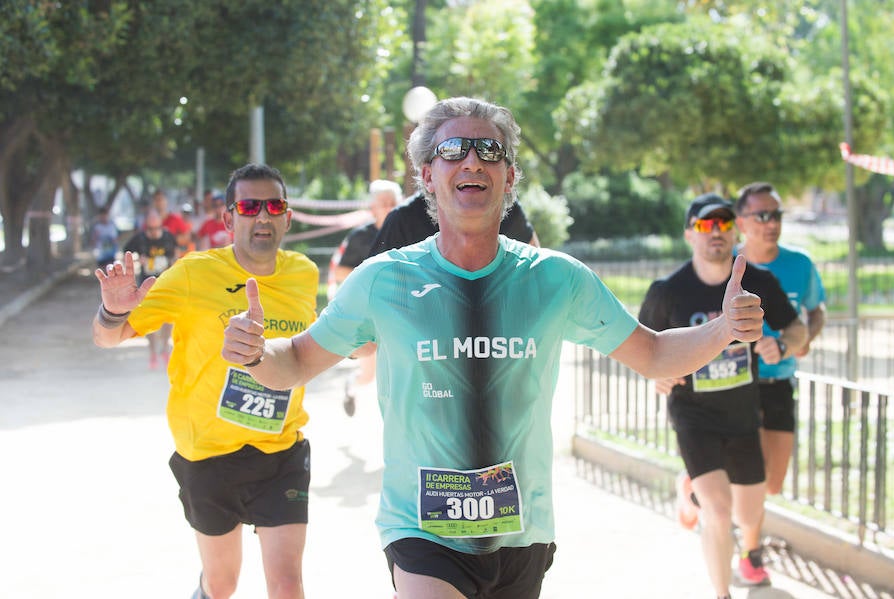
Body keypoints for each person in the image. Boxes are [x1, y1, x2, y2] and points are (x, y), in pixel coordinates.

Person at [222, 97, 764, 599]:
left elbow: (654, 355)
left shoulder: (556, 279)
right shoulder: (382, 281)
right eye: (452, 151)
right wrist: (254, 353)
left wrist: (723, 330)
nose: (472, 161)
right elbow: (294, 361)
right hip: (421, 526)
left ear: (509, 178)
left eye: (490, 151)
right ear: (428, 178)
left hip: (522, 533)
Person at [93, 164, 318, 599]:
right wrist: (114, 311)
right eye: (249, 207)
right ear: (229, 218)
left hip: (280, 450)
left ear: (288, 217)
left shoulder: (304, 274)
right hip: (208, 454)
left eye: (274, 206)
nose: (263, 217)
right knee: (221, 583)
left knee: (288, 584)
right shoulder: (194, 273)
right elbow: (108, 337)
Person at [638, 193, 807, 598]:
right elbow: (642, 351)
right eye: (705, 225)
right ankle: (722, 592)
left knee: (748, 513)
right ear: (689, 234)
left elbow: (797, 329)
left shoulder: (758, 283)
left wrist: (781, 346)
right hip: (693, 416)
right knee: (718, 512)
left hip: (743, 417)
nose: (716, 232)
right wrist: (655, 377)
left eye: (724, 224)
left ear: (736, 231)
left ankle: (690, 492)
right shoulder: (668, 292)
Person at [735, 181, 827, 498]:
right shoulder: (725, 266)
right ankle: (741, 537)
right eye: (761, 215)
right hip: (737, 382)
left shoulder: (799, 264)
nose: (771, 223)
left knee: (773, 483)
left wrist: (800, 342)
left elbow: (817, 312)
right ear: (740, 221)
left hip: (780, 380)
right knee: (746, 475)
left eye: (776, 215)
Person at [327, 179, 402, 416]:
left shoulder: (406, 232)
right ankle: (351, 385)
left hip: (400, 312)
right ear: (373, 207)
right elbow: (339, 271)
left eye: (393, 202)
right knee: (368, 375)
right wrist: (372, 279)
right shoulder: (360, 236)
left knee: (400, 370)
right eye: (384, 203)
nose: (389, 206)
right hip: (369, 315)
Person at [369, 190, 539, 257]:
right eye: (451, 152)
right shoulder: (402, 219)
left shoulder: (506, 206)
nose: (471, 163)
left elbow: (537, 271)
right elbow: (371, 296)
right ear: (427, 172)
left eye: (485, 150)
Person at [122, 209, 177, 369]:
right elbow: (126, 252)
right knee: (150, 321)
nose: (153, 232)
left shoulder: (168, 237)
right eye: (150, 229)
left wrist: (171, 263)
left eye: (156, 228)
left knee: (167, 319)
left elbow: (176, 254)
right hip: (146, 285)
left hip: (166, 283)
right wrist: (137, 259)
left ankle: (165, 349)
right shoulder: (140, 238)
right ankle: (153, 353)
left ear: (161, 225)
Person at [151, 189, 194, 258]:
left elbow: (187, 236)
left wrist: (170, 240)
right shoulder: (149, 221)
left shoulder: (175, 219)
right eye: (156, 200)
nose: (159, 203)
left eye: (161, 199)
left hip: (172, 258)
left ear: (166, 201)